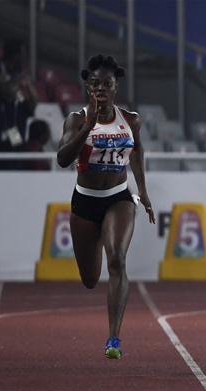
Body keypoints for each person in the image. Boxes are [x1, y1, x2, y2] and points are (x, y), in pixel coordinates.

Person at [56, 54, 156, 359]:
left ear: (115, 87)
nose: (100, 88)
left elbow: (136, 152)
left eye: (106, 84)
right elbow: (62, 159)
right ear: (88, 88)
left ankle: (114, 339)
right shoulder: (76, 120)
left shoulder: (131, 120)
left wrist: (143, 192)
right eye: (95, 83)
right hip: (85, 202)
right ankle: (98, 235)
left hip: (118, 198)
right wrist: (88, 128)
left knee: (117, 261)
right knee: (90, 279)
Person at [0, 38, 36, 170]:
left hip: (16, 155)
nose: (13, 87)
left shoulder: (20, 104)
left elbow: (34, 103)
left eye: (15, 85)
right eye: (9, 85)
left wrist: (28, 84)